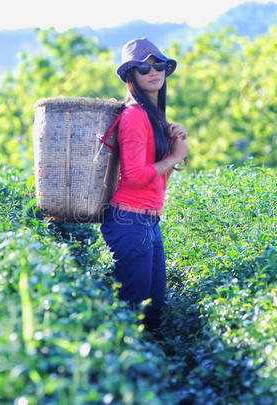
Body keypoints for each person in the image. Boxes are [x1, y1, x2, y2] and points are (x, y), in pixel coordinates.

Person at [100, 38, 190, 330]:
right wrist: (175, 156)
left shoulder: (154, 118)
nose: (153, 72)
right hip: (129, 220)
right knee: (135, 310)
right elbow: (137, 176)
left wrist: (173, 146)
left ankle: (151, 372)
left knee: (154, 309)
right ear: (131, 77)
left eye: (158, 65)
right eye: (143, 67)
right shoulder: (135, 116)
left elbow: (158, 180)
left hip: (148, 220)